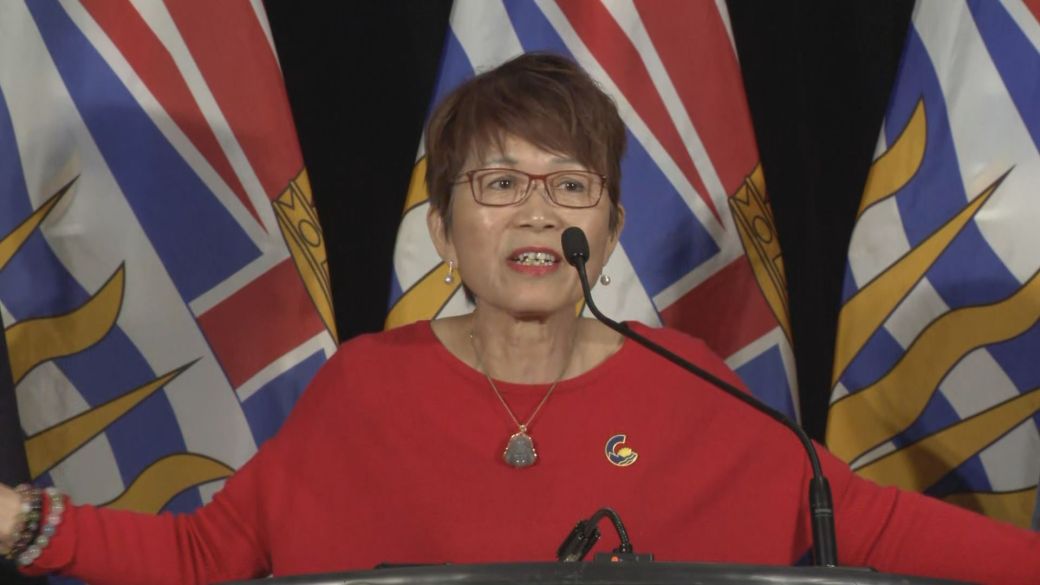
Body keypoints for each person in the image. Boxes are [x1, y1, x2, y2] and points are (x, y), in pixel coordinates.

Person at [0, 52, 1038, 585]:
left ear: (610, 227)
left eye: (570, 185)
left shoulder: (691, 386)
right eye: (498, 184)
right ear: (443, 231)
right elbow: (205, 557)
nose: (537, 212)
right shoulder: (364, 387)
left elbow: (873, 527)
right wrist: (24, 525)